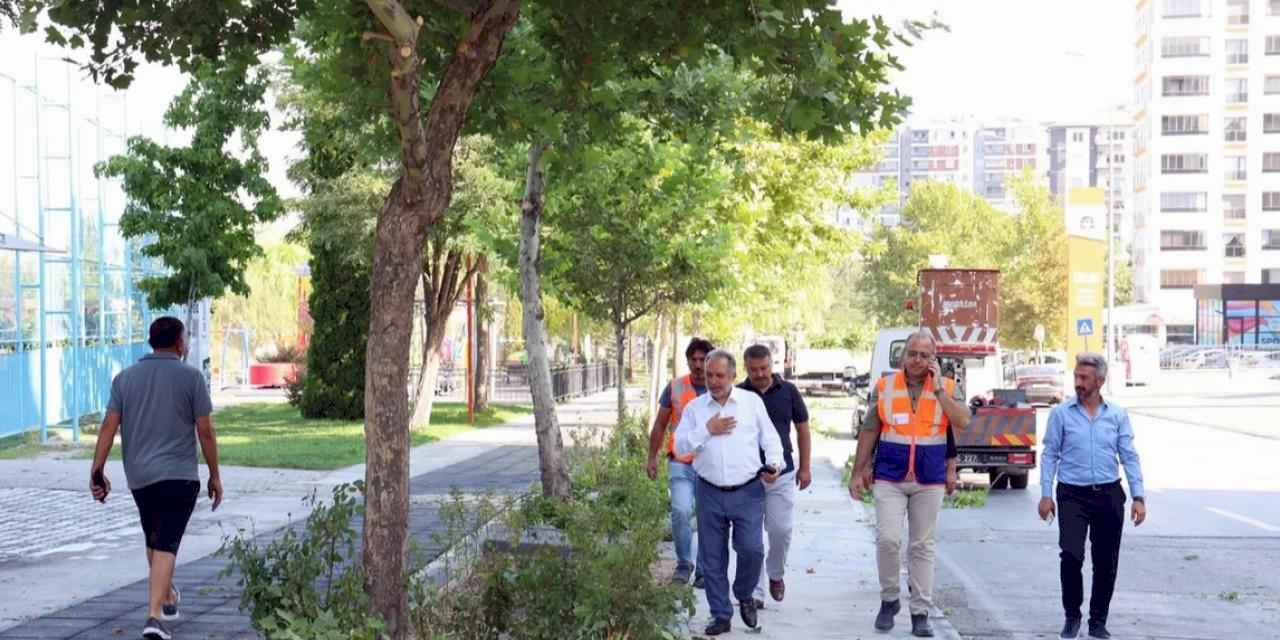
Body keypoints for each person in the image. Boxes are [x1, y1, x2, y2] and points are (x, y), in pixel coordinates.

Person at [90, 316, 223, 640]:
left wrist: (97, 469)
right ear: (179, 343)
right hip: (179, 476)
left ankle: (167, 594)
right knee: (164, 541)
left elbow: (109, 426)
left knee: (156, 537)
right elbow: (204, 430)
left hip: (140, 476)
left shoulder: (125, 379)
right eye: (186, 338)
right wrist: (215, 475)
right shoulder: (191, 378)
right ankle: (154, 617)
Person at [848, 331, 970, 638]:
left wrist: (940, 391)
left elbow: (962, 421)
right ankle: (890, 599)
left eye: (924, 355)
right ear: (904, 356)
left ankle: (920, 611)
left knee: (922, 546)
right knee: (888, 539)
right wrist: (858, 470)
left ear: (934, 359)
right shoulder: (885, 386)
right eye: (912, 354)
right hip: (890, 475)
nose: (918, 360)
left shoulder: (949, 388)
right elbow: (870, 430)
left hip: (929, 479)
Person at [675, 349, 785, 636]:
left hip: (747, 491)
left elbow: (771, 440)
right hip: (709, 491)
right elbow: (680, 447)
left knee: (751, 549)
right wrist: (707, 430)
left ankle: (744, 592)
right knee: (713, 558)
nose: (713, 380)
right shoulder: (695, 409)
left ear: (733, 376)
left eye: (720, 375)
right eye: (709, 375)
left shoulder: (751, 403)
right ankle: (721, 614)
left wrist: (774, 465)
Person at [1038, 352, 1146, 640]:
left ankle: (1098, 621)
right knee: (1071, 555)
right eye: (1076, 376)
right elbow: (1049, 455)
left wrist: (1139, 496)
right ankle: (1072, 615)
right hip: (1072, 495)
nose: (1078, 382)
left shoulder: (1117, 415)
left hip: (1109, 495)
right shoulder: (1061, 414)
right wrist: (1045, 494)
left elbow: (1129, 456)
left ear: (1099, 381)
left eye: (1084, 378)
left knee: (1106, 561)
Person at [737, 344, 811, 606]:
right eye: (753, 369)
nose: (759, 374)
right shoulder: (738, 394)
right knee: (751, 538)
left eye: (764, 368)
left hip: (783, 475)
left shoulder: (788, 391)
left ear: (772, 365)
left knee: (780, 530)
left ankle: (776, 574)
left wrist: (805, 466)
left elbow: (802, 429)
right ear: (746, 368)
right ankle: (755, 594)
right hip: (748, 477)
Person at [646, 337, 715, 586]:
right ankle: (684, 563)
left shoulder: (720, 388)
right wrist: (651, 457)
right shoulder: (674, 388)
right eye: (693, 359)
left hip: (711, 465)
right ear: (687, 361)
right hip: (681, 463)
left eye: (702, 359)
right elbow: (660, 424)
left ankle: (705, 569)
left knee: (708, 517)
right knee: (681, 511)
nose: (697, 365)